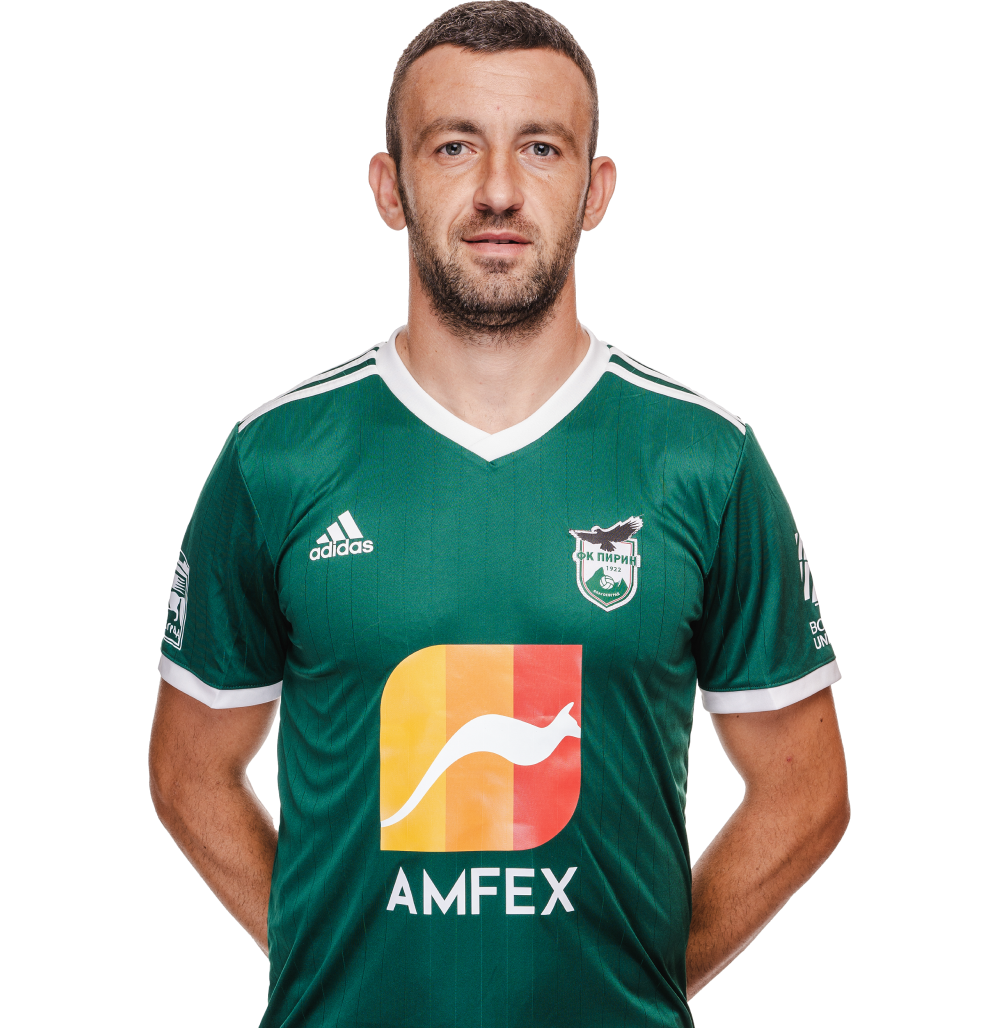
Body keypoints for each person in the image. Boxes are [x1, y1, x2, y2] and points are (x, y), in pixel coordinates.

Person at [148, 3, 850, 1026]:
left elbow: (805, 789)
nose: (498, 191)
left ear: (595, 190)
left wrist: (640, 980)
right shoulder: (275, 456)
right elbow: (188, 769)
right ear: (389, 187)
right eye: (453, 145)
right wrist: (325, 966)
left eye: (540, 147)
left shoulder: (705, 458)